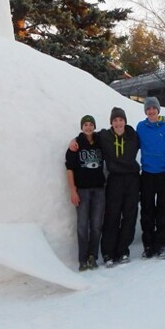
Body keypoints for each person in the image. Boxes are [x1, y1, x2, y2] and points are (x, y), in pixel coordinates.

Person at [70, 107, 140, 266]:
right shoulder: (105, 136)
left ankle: (123, 251)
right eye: (115, 120)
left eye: (120, 119)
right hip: (115, 179)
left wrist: (163, 119)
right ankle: (108, 252)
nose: (118, 123)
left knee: (129, 216)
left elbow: (152, 133)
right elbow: (88, 135)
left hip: (132, 179)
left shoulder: (134, 136)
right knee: (112, 216)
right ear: (111, 123)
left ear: (125, 121)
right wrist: (73, 141)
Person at [137, 97, 165, 259]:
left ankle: (163, 244)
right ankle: (148, 245)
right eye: (148, 109)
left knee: (164, 211)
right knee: (147, 211)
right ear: (145, 111)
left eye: (153, 108)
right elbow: (129, 140)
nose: (151, 111)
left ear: (158, 110)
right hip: (147, 175)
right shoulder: (141, 127)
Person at [65, 115, 105, 271]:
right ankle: (82, 259)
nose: (88, 127)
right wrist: (73, 190)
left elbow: (112, 132)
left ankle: (92, 256)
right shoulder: (76, 144)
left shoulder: (100, 140)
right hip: (82, 190)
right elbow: (69, 169)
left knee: (96, 225)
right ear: (82, 127)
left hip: (99, 189)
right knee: (82, 226)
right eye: (85, 124)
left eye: (91, 124)